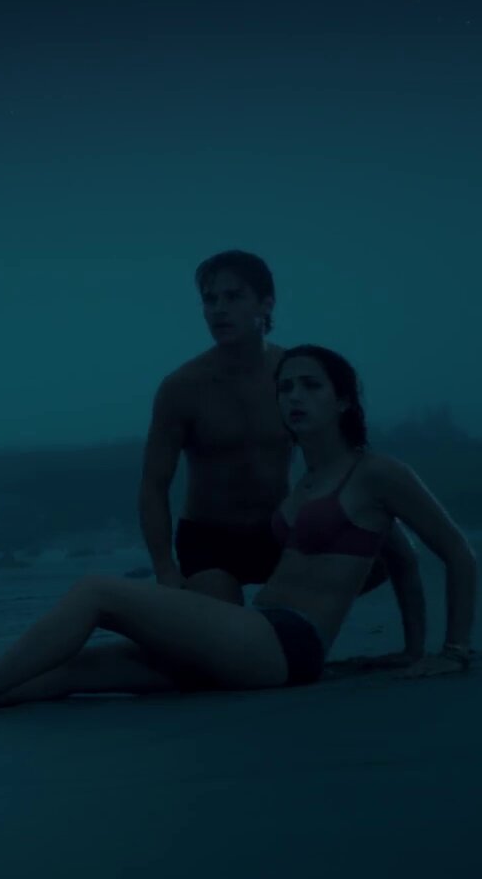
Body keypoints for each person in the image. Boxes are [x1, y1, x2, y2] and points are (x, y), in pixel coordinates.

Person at [0, 345, 479, 715]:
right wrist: (408, 651)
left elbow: (448, 555)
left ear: (343, 400)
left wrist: (446, 653)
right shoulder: (309, 480)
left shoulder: (377, 473)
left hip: (287, 645)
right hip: (251, 636)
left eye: (310, 386)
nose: (294, 396)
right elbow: (392, 562)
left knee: (98, 593)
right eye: (286, 386)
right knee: (80, 671)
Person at [140, 250, 427, 663]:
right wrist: (165, 568)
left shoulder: (293, 379)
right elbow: (154, 485)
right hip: (209, 539)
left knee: (391, 550)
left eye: (233, 297)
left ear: (266, 304)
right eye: (210, 299)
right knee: (222, 642)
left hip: (278, 529)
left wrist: (360, 509)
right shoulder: (182, 388)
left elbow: (337, 457)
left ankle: (412, 650)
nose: (219, 309)